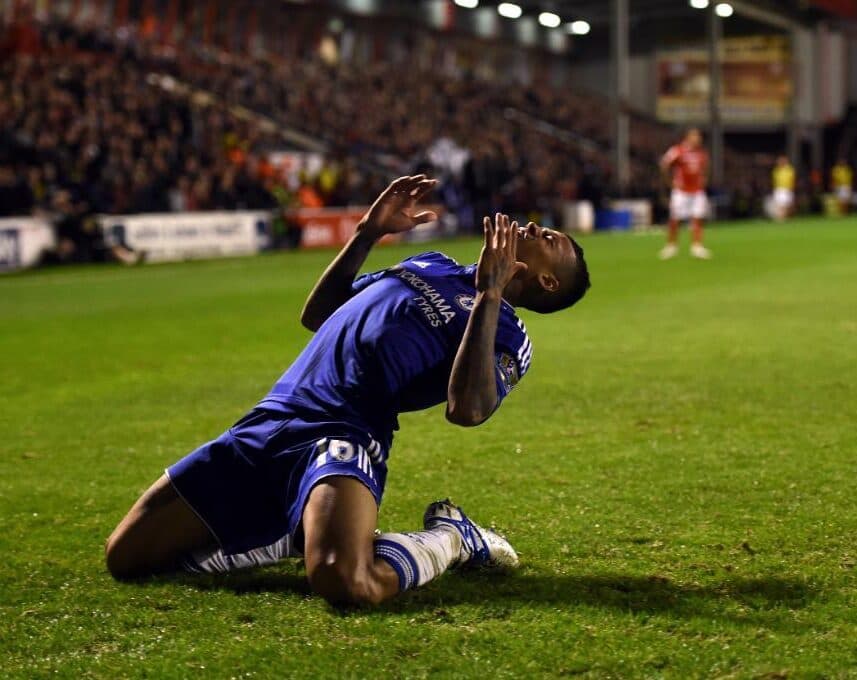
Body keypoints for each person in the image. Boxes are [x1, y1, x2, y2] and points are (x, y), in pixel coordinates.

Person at [104, 175, 591, 606]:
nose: (534, 228)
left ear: (547, 280)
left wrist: (490, 294)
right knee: (127, 556)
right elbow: (319, 315)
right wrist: (367, 233)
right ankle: (295, 529)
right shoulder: (434, 263)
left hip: (345, 432)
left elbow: (468, 409)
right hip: (274, 416)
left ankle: (452, 540)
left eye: (549, 239)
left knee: (349, 581)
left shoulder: (509, 334)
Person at [659, 128, 712, 260]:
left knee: (698, 217)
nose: (697, 138)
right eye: (695, 136)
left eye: (698, 136)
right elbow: (664, 164)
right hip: (681, 191)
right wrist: (669, 182)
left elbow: (706, 167)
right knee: (675, 218)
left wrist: (704, 179)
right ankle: (671, 245)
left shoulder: (701, 153)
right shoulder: (677, 150)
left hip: (697, 190)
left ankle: (697, 246)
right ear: (687, 137)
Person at [771, 155, 796, 222]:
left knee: (788, 205)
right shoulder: (776, 170)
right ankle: (780, 218)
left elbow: (792, 180)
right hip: (779, 189)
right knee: (780, 204)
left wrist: (791, 188)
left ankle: (785, 217)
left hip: (788, 189)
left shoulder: (789, 169)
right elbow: (774, 180)